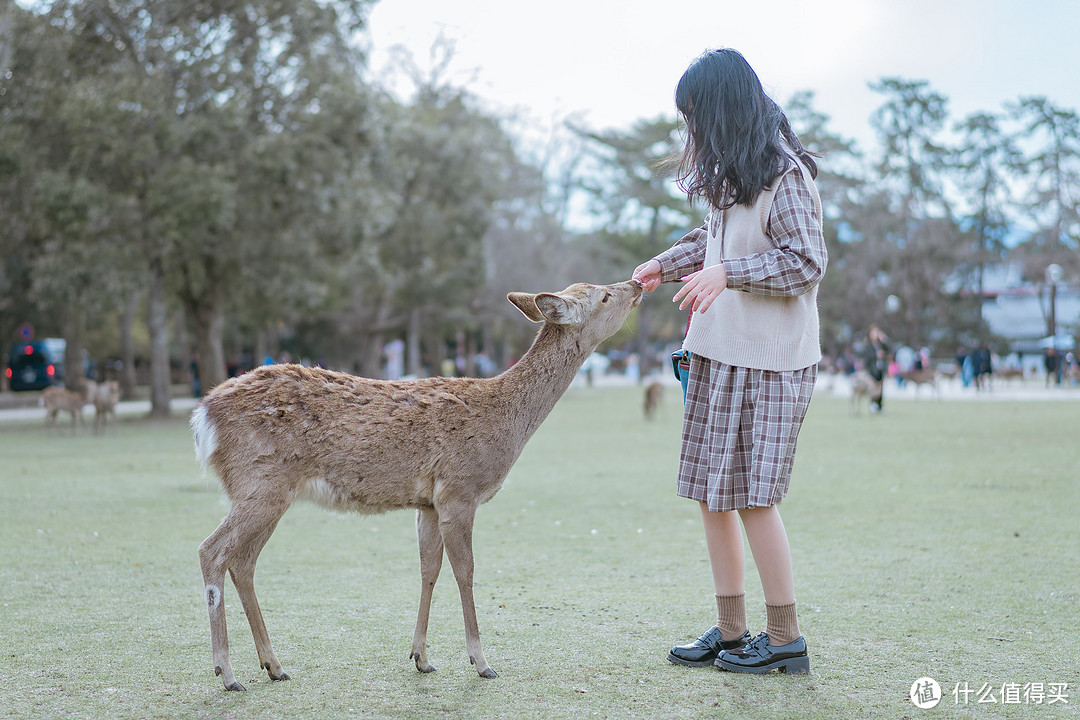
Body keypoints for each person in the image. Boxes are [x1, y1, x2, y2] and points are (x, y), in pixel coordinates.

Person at [632, 48, 826, 675]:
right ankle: (732, 629)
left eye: (695, 118)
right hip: (715, 352)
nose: (691, 133)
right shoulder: (730, 176)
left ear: (723, 111)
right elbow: (713, 243)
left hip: (771, 362)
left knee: (754, 498)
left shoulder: (786, 174)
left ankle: (784, 639)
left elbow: (804, 261)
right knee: (713, 497)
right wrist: (666, 264)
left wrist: (729, 274)